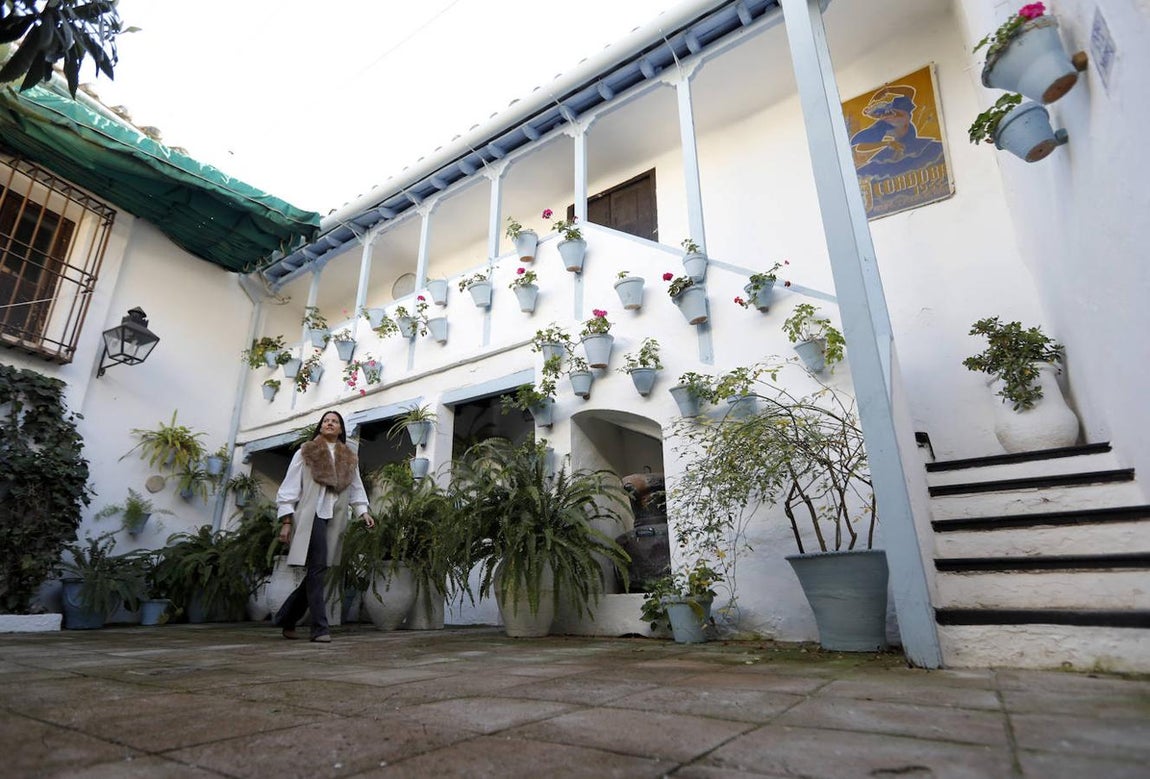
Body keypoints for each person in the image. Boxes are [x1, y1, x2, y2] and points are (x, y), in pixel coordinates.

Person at [272, 410, 374, 643]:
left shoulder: (349, 456)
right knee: (318, 568)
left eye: (335, 421)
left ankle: (286, 617)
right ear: (321, 427)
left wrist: (363, 512)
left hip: (335, 517)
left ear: (340, 429)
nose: (330, 423)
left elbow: (356, 487)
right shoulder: (306, 451)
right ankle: (319, 628)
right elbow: (290, 487)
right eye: (326, 420)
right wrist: (286, 521)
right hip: (311, 515)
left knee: (320, 570)